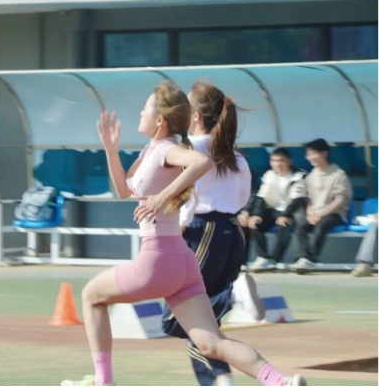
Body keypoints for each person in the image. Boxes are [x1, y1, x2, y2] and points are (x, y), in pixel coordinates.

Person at [61, 81, 306, 386]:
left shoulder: (168, 149)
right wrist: (111, 150)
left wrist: (162, 197)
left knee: (91, 296)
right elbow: (124, 189)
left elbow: (202, 162)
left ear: (160, 119)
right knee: (211, 342)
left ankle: (103, 381)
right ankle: (281, 382)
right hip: (184, 262)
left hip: (158, 261)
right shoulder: (150, 150)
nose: (140, 113)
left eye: (145, 108)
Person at [160, 80, 261, 386]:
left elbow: (188, 195)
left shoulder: (189, 149)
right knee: (203, 321)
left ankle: (235, 294)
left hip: (201, 231)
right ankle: (219, 379)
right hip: (232, 232)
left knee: (178, 316)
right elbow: (242, 197)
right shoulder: (233, 153)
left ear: (195, 116)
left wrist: (180, 226)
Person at [291, 139, 353, 274]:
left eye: (313, 153)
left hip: (335, 214)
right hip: (316, 214)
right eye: (308, 154)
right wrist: (310, 213)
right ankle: (304, 257)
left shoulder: (338, 174)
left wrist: (322, 214)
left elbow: (341, 200)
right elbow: (308, 199)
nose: (309, 157)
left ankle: (311, 259)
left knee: (321, 226)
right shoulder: (310, 176)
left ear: (324, 153)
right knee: (300, 228)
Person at [247, 148, 306, 272]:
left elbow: (297, 200)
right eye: (274, 161)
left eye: (281, 160)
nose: (277, 164)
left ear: (289, 161)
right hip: (273, 211)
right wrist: (257, 214)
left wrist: (286, 215)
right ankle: (263, 257)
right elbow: (262, 196)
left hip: (292, 213)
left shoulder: (299, 176)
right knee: (254, 223)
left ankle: (275, 259)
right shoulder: (269, 175)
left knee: (284, 225)